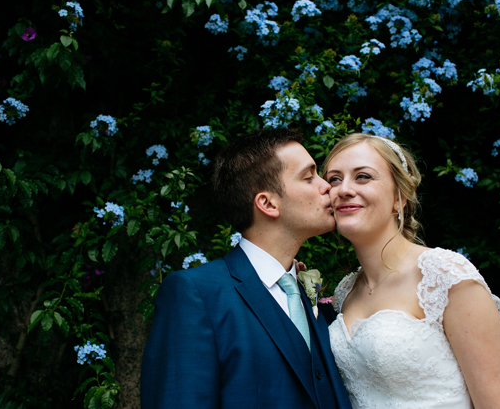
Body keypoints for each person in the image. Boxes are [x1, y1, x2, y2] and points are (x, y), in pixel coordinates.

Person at [140, 128, 352, 408]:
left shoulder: (309, 295)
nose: (327, 186)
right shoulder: (197, 294)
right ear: (267, 203)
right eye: (308, 176)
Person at [320, 133, 500, 408]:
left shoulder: (446, 276)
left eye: (363, 176)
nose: (343, 189)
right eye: (334, 179)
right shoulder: (346, 291)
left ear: (400, 197)